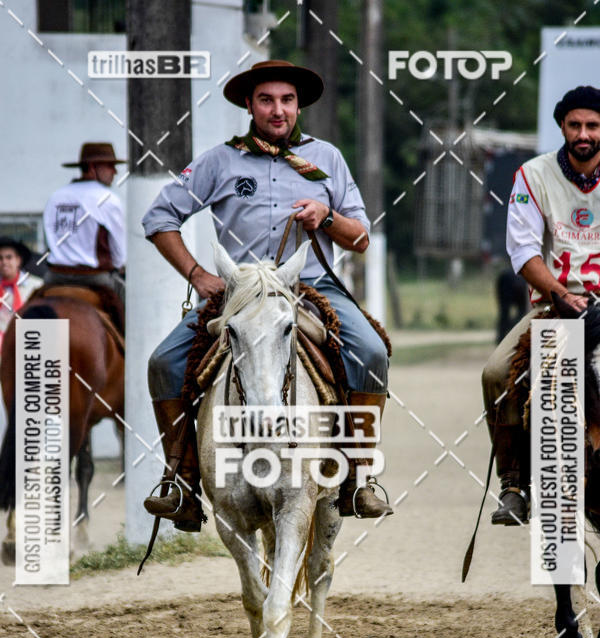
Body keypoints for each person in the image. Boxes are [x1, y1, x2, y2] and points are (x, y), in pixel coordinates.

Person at [141, 59, 393, 530]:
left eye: (287, 100)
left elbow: (360, 238)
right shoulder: (219, 160)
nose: (278, 110)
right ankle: (181, 480)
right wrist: (197, 274)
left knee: (373, 352)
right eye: (267, 100)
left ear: (298, 106)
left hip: (310, 288)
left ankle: (360, 476)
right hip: (239, 297)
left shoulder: (328, 159)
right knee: (163, 364)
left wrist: (327, 215)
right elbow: (158, 220)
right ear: (249, 105)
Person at [483, 85, 600, 524]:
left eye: (592, 125)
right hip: (555, 305)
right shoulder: (532, 175)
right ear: (563, 128)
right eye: (575, 125)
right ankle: (513, 484)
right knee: (495, 373)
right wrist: (561, 295)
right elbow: (524, 252)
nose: (583, 133)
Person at [43, 142, 126, 302]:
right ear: (93, 167)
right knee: (131, 310)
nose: (115, 172)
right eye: (110, 166)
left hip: (55, 277)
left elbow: (49, 238)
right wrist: (119, 265)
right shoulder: (107, 198)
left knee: (29, 307)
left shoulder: (56, 196)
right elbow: (119, 254)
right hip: (94, 278)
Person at [0, 237, 44, 350]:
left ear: (18, 260)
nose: (4, 262)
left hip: (31, 346)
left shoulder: (37, 286)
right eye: (0, 258)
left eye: (9, 257)